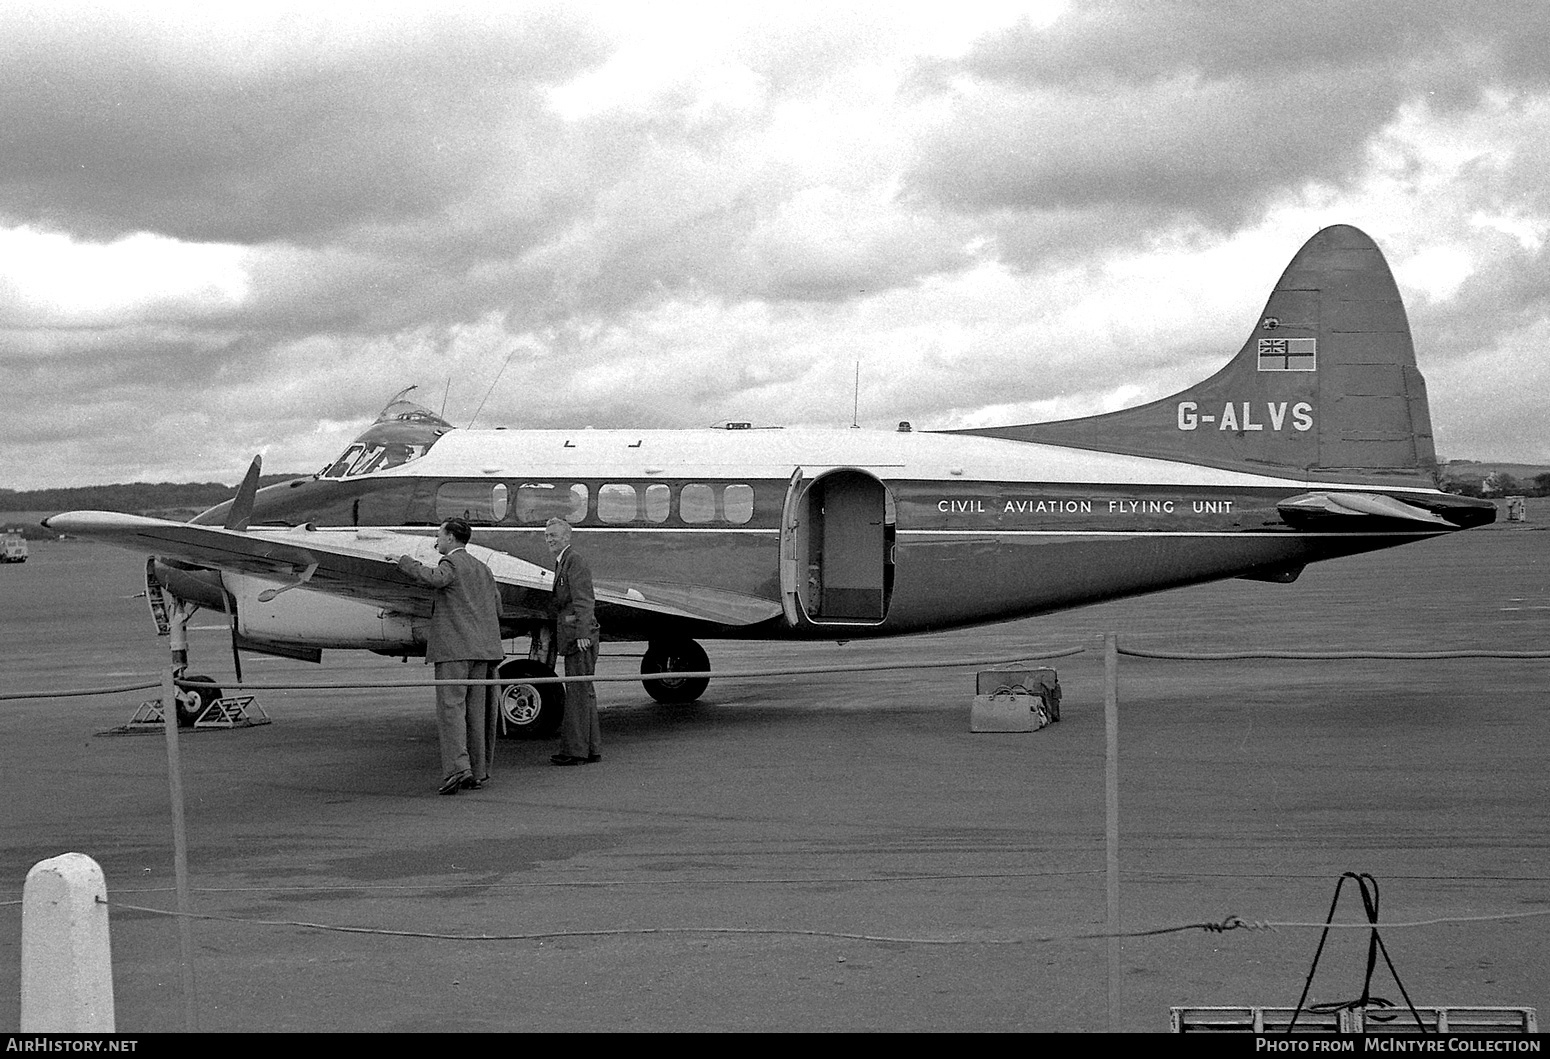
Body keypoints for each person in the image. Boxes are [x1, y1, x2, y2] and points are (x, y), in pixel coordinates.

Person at [396, 517, 504, 794]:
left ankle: (458, 770)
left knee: (451, 710)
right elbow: (498, 608)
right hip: (483, 650)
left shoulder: (451, 563)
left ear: (452, 538)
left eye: (440, 535)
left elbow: (434, 579)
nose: (437, 539)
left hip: (455, 650)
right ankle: (477, 771)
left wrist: (405, 562)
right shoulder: (483, 568)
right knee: (477, 713)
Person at [544, 517, 601, 766]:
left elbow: (584, 600)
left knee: (578, 694)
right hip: (575, 635)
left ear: (567, 537)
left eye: (554, 535)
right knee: (583, 693)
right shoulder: (563, 561)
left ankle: (576, 751)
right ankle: (589, 749)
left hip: (579, 638)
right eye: (547, 535)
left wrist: (583, 635)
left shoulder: (573, 560)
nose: (549, 539)